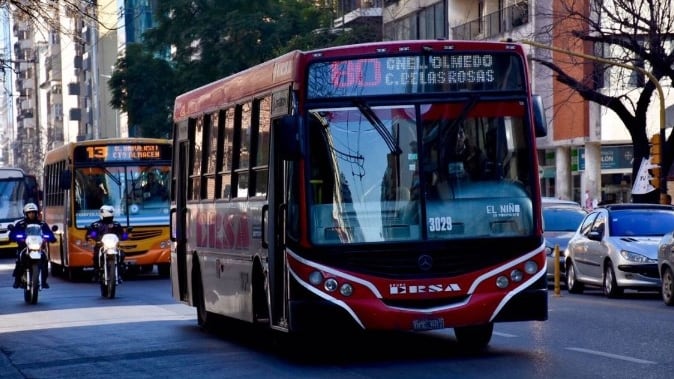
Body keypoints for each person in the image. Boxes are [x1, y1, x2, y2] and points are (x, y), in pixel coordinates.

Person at [10, 203, 57, 289]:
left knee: (44, 259)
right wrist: (17, 237)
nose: (31, 214)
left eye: (33, 212)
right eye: (29, 212)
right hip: (24, 247)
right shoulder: (20, 224)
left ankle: (43, 281)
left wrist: (50, 237)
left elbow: (49, 234)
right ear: (26, 213)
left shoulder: (42, 224)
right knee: (19, 260)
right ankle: (17, 280)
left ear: (36, 213)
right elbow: (12, 234)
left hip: (38, 248)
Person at [86, 205, 128, 281]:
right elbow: (90, 234)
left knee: (121, 254)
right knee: (96, 256)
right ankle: (97, 272)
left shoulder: (116, 224)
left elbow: (121, 234)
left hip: (113, 247)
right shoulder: (95, 225)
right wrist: (91, 236)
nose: (110, 217)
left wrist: (125, 235)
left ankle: (119, 273)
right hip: (101, 245)